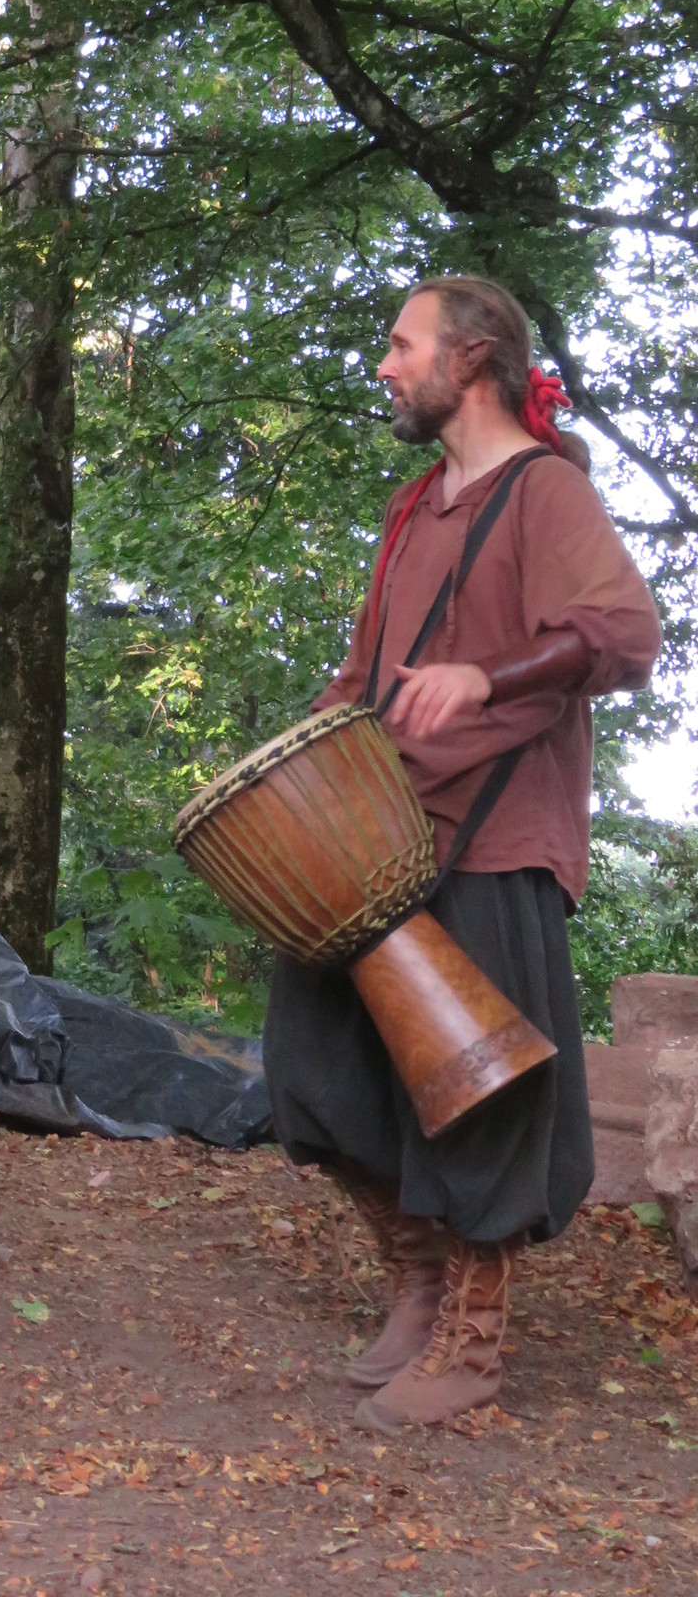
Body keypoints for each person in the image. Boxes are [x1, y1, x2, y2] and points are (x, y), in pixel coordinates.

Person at [265, 276, 658, 1430]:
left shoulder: (546, 490)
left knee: (480, 1097)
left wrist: (489, 675)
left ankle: (474, 1342)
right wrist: (294, 768)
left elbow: (624, 635)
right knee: (314, 1063)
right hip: (383, 836)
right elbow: (364, 676)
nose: (386, 365)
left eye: (403, 345)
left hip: (496, 837)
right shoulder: (413, 506)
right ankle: (420, 1275)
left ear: (471, 358)